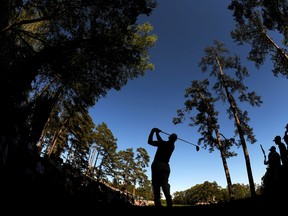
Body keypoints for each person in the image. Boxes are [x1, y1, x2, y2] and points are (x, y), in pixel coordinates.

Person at [147, 127, 177, 208]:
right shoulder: (170, 145)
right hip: (165, 166)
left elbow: (153, 141)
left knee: (157, 184)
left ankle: (159, 203)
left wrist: (154, 132)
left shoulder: (168, 145)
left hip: (158, 164)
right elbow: (150, 142)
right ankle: (168, 203)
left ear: (170, 138)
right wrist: (155, 132)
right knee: (164, 184)